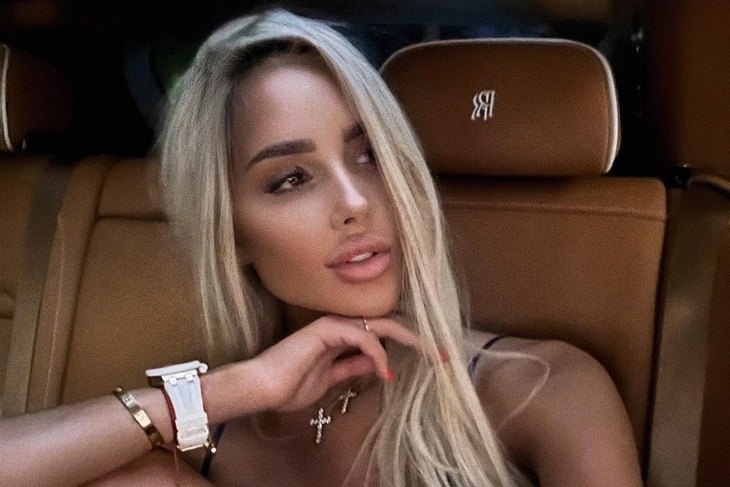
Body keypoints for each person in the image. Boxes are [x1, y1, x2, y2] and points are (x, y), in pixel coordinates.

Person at [0, 9, 643, 487]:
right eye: (290, 179)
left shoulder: (538, 389)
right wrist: (230, 391)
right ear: (232, 234)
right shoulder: (218, 435)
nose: (356, 202)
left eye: (370, 154)